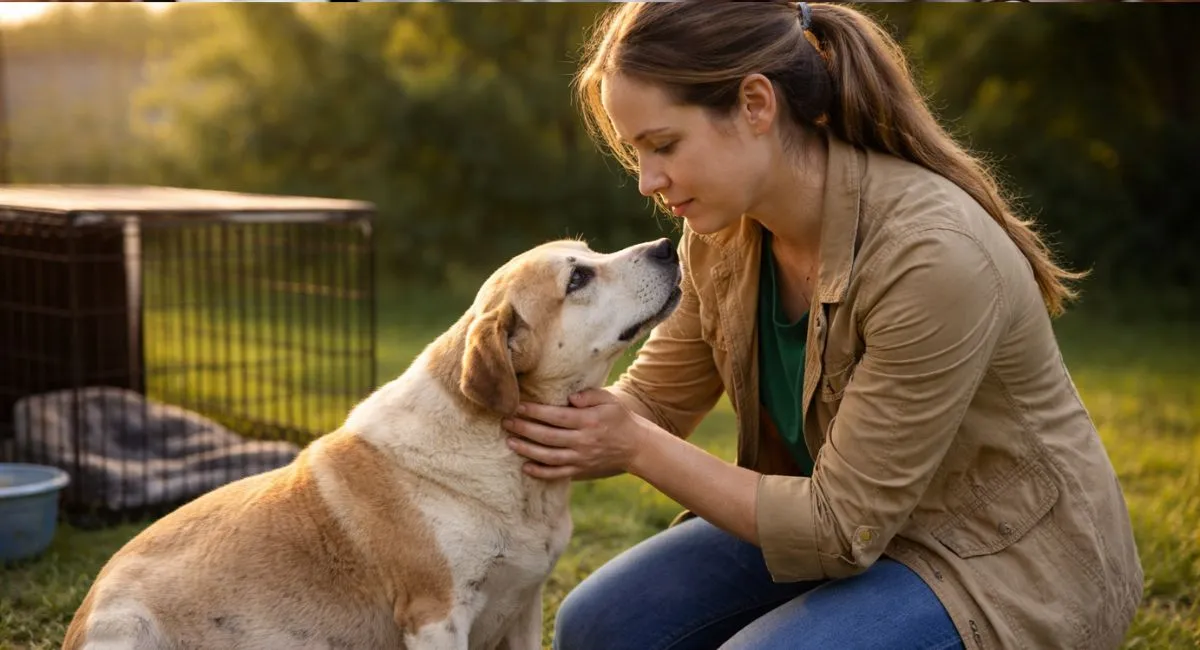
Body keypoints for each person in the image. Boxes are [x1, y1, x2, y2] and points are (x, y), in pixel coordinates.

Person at [500, 2, 1143, 648]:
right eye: (636, 151)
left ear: (755, 104)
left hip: (994, 565)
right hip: (840, 527)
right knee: (599, 627)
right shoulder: (720, 237)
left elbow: (838, 528)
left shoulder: (932, 256)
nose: (646, 181)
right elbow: (650, 405)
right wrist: (463, 413)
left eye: (663, 145)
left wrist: (633, 446)